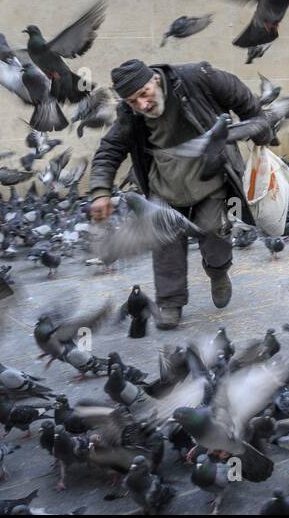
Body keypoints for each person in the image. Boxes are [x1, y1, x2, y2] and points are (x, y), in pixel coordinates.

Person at [87, 58, 262, 328]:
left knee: (215, 233)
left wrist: (260, 128)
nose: (142, 105)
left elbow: (243, 98)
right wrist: (100, 191)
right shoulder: (131, 113)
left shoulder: (197, 77)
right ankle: (170, 303)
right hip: (165, 186)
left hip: (209, 179)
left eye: (143, 94)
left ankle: (217, 272)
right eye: (133, 101)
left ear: (155, 79)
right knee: (165, 245)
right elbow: (110, 149)